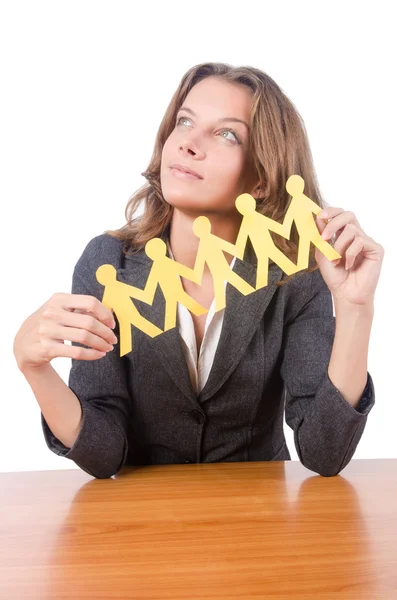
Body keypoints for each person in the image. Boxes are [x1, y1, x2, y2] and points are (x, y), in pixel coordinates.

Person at [13, 62, 383, 479]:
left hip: (257, 521)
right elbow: (103, 454)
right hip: (141, 523)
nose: (188, 142)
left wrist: (355, 310)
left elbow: (324, 452)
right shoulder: (108, 264)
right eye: (184, 121)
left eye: (227, 134)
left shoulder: (295, 277)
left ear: (261, 179)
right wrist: (35, 369)